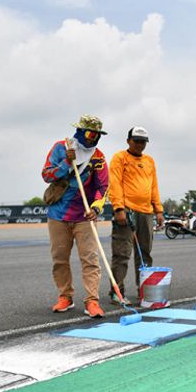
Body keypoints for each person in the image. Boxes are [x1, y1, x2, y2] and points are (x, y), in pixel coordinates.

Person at [42, 114, 108, 318]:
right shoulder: (61, 148)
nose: (93, 139)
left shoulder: (98, 157)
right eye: (89, 134)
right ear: (80, 132)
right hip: (58, 215)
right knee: (60, 259)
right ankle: (65, 297)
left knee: (90, 259)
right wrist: (66, 164)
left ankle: (92, 301)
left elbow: (103, 187)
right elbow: (46, 175)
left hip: (84, 216)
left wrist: (96, 208)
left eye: (97, 135)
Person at [108, 126, 165, 305]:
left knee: (145, 253)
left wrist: (159, 210)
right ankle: (117, 291)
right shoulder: (120, 158)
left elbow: (153, 186)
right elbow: (114, 183)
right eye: (136, 141)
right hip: (126, 211)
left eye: (143, 141)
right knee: (122, 253)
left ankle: (144, 290)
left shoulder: (149, 161)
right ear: (128, 141)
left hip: (146, 213)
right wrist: (118, 208)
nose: (140, 145)